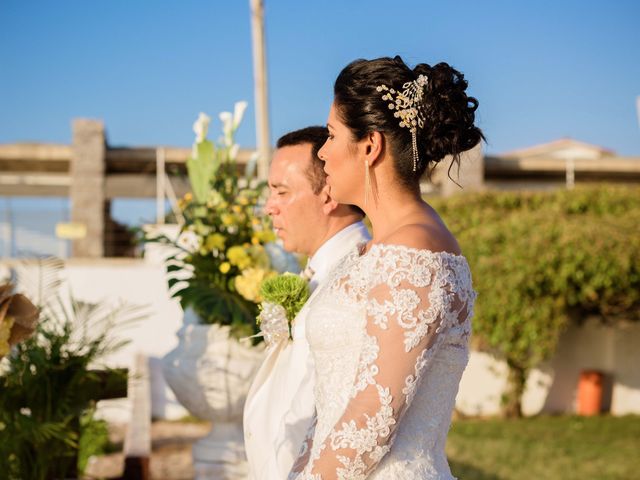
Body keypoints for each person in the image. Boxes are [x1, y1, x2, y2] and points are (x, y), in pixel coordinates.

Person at [287, 56, 484, 479]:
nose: (321, 152)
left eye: (331, 135)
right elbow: (332, 408)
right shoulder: (376, 250)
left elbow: (371, 419)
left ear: (370, 146)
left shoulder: (416, 253)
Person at [244, 126, 371, 480]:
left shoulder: (359, 277)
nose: (269, 207)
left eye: (281, 192)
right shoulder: (317, 274)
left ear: (328, 193)